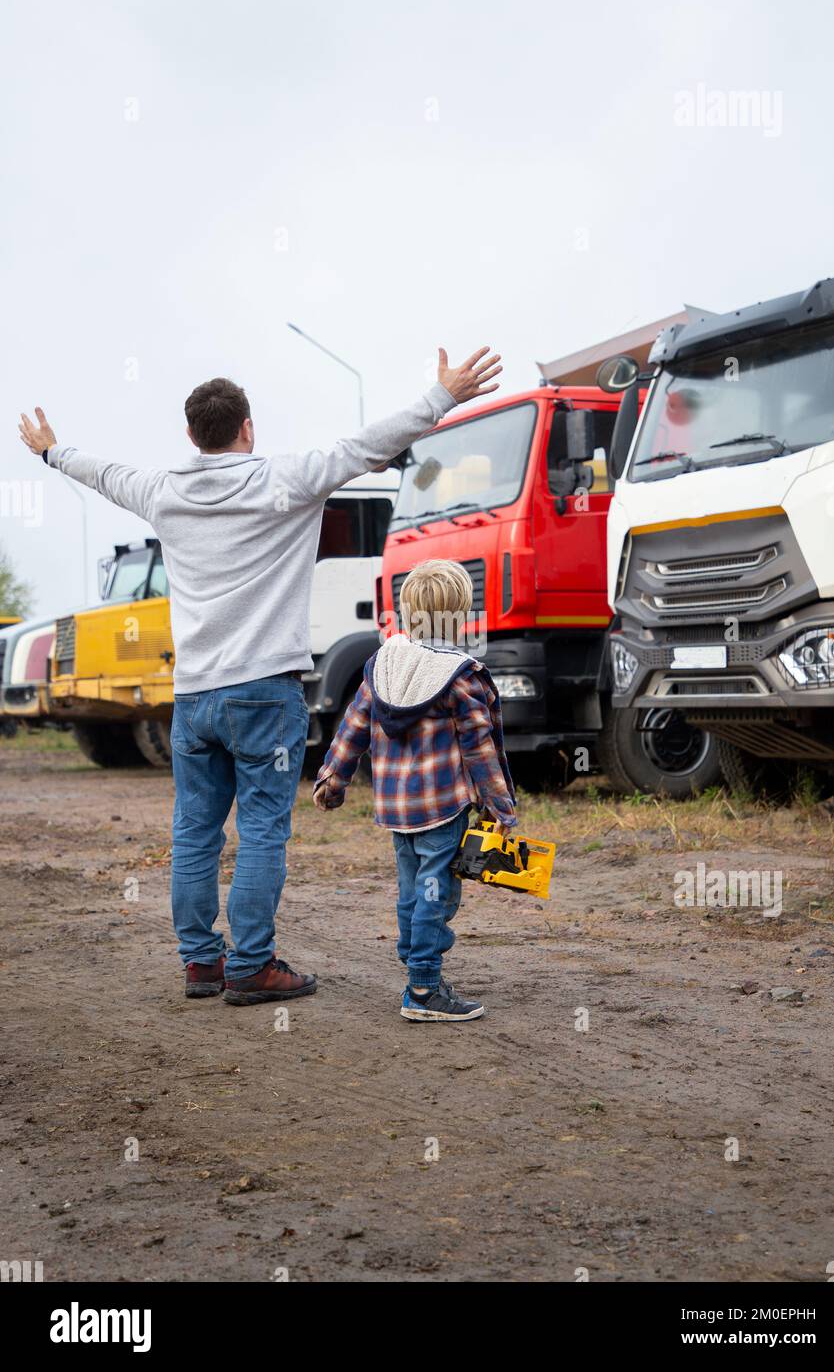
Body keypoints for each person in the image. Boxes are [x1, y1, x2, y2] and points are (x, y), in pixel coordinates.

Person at [18, 346, 502, 1005]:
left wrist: (51, 452)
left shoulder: (162, 490)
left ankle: (200, 964)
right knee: (262, 831)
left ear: (191, 435)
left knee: (194, 830)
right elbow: (368, 445)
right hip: (266, 693)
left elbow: (103, 473)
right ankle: (250, 966)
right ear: (248, 428)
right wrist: (441, 396)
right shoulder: (287, 479)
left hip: (192, 697)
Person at [312, 558, 517, 1022]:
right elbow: (480, 749)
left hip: (395, 808)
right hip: (443, 808)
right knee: (437, 893)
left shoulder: (382, 666)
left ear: (408, 610)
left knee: (413, 889)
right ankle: (423, 988)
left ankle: (416, 963)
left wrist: (333, 778)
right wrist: (501, 808)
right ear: (461, 611)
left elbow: (353, 727)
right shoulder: (462, 675)